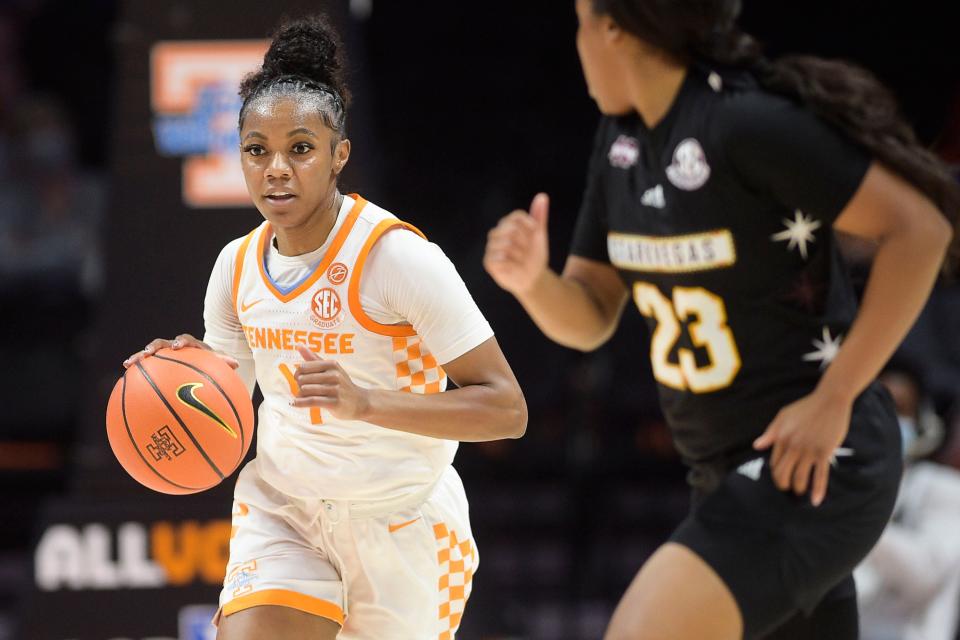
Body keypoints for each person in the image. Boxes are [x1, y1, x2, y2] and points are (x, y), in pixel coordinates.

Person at [484, 1, 958, 638]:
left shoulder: (745, 124)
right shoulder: (622, 144)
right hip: (722, 472)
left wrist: (836, 395)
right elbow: (592, 315)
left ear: (614, 30)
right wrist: (532, 284)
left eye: (580, 23)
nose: (578, 45)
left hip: (813, 463)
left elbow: (920, 230)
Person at [124, 15, 527, 640]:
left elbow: (506, 409)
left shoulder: (398, 259)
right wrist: (181, 375)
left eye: (300, 148)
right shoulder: (235, 266)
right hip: (285, 509)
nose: (276, 168)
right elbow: (227, 398)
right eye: (257, 150)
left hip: (402, 524)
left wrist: (366, 403)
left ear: (339, 155)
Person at [856, 362, 960, 640]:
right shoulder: (841, 487)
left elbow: (927, 577)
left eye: (898, 410)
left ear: (923, 423)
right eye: (876, 408)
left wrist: (853, 522)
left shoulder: (944, 488)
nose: (886, 420)